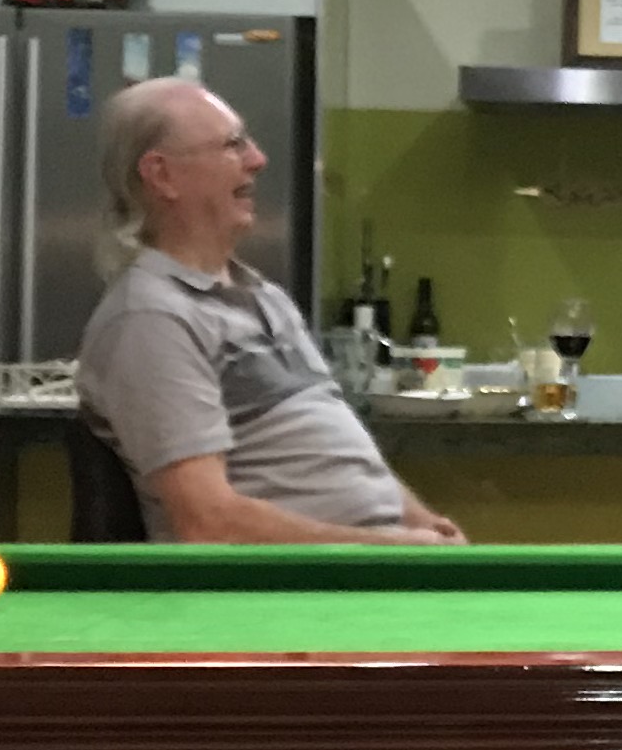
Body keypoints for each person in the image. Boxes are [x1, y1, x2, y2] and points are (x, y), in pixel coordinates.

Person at [74, 77, 466, 545]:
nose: (257, 160)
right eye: (232, 145)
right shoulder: (151, 319)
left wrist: (419, 521)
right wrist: (388, 548)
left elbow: (337, 448)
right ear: (162, 175)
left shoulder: (266, 297)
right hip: (280, 581)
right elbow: (207, 524)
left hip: (363, 564)